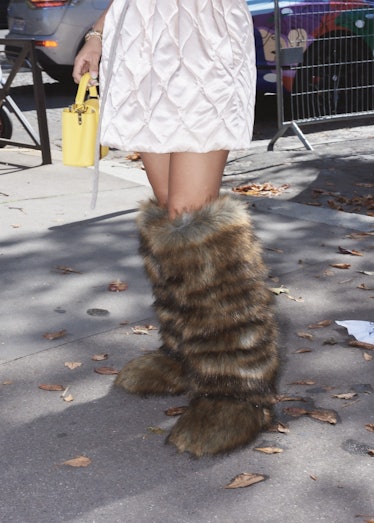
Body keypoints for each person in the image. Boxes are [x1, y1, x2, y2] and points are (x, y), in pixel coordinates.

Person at [73, 0, 278, 458]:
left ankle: (237, 391)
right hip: (141, 42)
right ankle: (185, 352)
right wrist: (98, 35)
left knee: (192, 215)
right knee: (171, 214)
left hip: (204, 40)